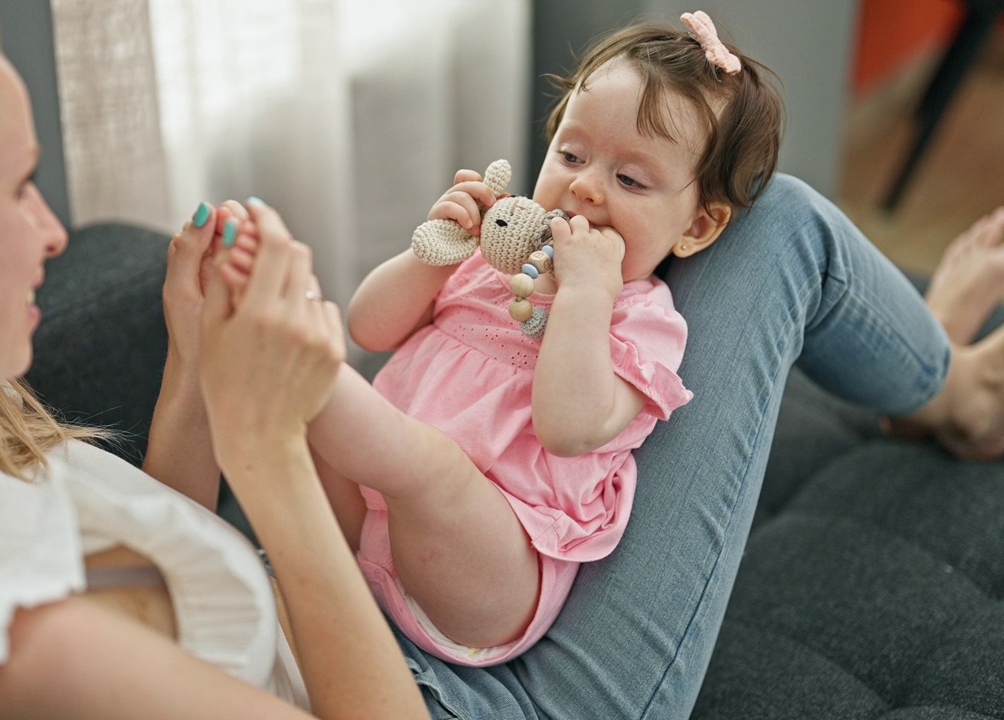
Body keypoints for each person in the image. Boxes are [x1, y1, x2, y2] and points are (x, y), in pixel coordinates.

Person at [0, 2, 1004, 720]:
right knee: (785, 227)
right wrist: (273, 448)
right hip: (437, 683)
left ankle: (935, 377)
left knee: (761, 216)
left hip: (388, 579)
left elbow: (160, 580)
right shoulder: (19, 660)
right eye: (17, 185)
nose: (56, 232)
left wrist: (190, 380)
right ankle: (951, 389)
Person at [211, 12, 784, 666]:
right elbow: (369, 327)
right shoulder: (495, 258)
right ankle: (276, 353)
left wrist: (586, 295)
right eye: (571, 155)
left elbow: (569, 427)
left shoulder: (640, 318)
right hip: (365, 528)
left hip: (493, 574)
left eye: (630, 180)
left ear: (697, 227)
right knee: (314, 426)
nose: (585, 186)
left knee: (427, 465)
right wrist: (433, 255)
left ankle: (289, 346)